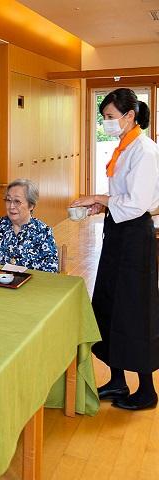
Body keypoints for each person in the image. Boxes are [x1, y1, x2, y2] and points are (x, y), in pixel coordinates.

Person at [71, 88, 159, 410]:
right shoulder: (124, 147)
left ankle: (147, 390)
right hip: (117, 232)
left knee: (135, 310)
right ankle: (118, 380)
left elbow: (137, 204)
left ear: (130, 116)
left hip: (135, 238)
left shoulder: (145, 151)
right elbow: (122, 199)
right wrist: (103, 207)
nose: (106, 123)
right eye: (104, 118)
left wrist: (100, 199)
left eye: (110, 117)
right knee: (109, 303)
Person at [0, 179, 58, 272]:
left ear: (31, 205)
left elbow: (50, 272)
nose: (11, 206)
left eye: (17, 201)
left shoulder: (43, 232)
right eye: (8, 200)